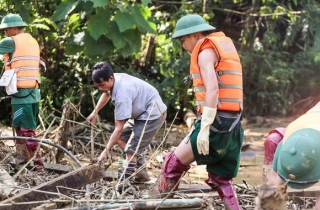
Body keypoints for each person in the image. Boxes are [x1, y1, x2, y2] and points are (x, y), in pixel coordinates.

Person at [150, 14, 244, 209]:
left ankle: (155, 204)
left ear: (196, 35)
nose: (183, 45)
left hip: (215, 121)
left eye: (184, 40)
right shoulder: (224, 46)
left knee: (172, 163)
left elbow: (213, 90)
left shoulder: (204, 52)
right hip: (233, 122)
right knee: (222, 178)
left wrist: (205, 126)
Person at [87, 61, 167, 183]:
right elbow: (107, 94)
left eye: (102, 85)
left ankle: (123, 183)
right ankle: (141, 173)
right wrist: (95, 111)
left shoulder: (121, 95)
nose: (100, 89)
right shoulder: (113, 80)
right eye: (97, 86)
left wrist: (105, 151)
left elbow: (118, 128)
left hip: (153, 114)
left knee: (130, 150)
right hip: (141, 112)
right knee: (121, 139)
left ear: (110, 78)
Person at [0, 14, 46, 171]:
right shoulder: (32, 41)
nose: (5, 33)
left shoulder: (10, 41)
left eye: (6, 29)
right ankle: (21, 165)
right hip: (33, 92)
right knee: (20, 128)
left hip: (22, 95)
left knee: (26, 131)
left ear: (13, 28)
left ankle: (38, 166)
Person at [257, 101, 320, 209]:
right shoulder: (289, 138)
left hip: (304, 130)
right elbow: (272, 183)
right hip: (303, 130)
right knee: (273, 139)